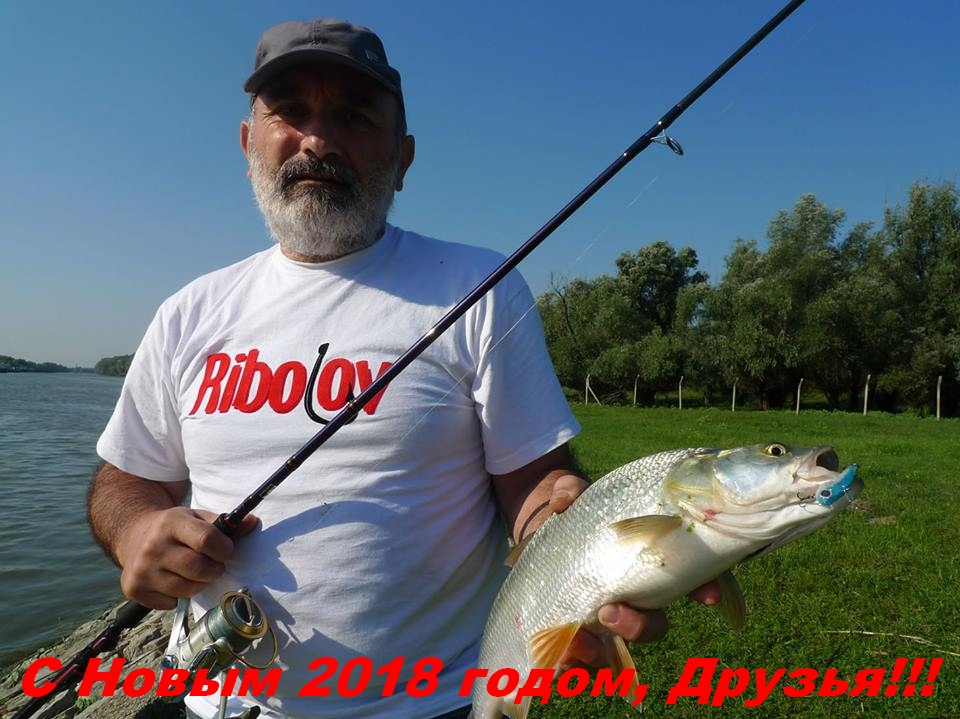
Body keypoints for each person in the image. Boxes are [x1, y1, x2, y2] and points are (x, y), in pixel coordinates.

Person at [88, 18, 717, 719]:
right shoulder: (189, 311)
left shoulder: (479, 288)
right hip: (218, 703)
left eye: (355, 116)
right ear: (248, 143)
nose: (318, 140)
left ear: (404, 156)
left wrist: (569, 540)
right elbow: (127, 479)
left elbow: (534, 482)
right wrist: (135, 530)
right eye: (289, 112)